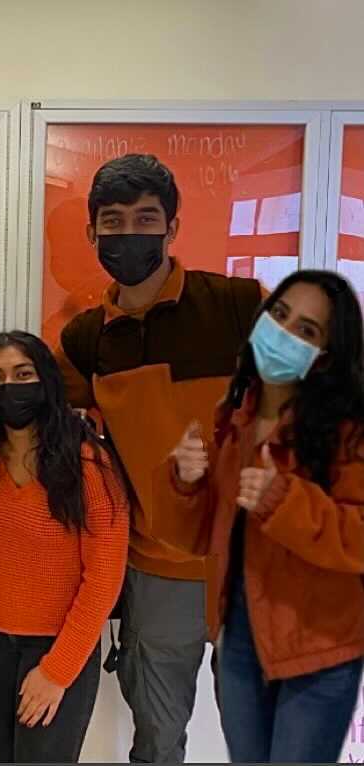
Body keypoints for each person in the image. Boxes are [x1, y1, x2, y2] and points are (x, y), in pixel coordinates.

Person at [58, 153, 265, 763]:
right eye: (113, 221)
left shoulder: (239, 304)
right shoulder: (84, 340)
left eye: (146, 218)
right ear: (92, 232)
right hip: (156, 571)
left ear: (173, 228)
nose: (129, 235)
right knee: (157, 741)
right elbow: (42, 422)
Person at [155, 270, 364, 763]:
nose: (284, 333)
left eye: (307, 331)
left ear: (326, 356)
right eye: (280, 315)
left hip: (320, 649)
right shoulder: (236, 415)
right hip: (241, 642)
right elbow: (202, 536)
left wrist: (284, 502)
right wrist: (186, 482)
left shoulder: (349, 431)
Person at [0, 331, 129, 763]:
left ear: (45, 382)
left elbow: (104, 577)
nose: (8, 387)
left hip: (56, 645)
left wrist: (57, 671)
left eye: (22, 374)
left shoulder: (88, 463)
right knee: (4, 756)